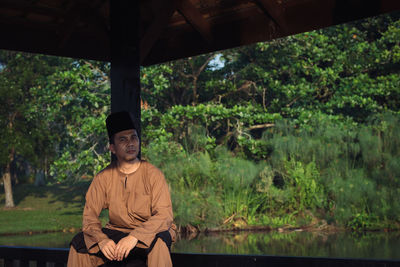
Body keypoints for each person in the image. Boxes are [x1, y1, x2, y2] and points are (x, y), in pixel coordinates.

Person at [67, 111, 176, 267]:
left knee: (159, 240)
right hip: (117, 233)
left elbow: (164, 215)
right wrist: (102, 240)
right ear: (112, 147)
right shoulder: (103, 177)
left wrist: (134, 237)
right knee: (78, 243)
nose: (130, 143)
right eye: (123, 140)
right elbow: (89, 218)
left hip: (148, 234)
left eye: (134, 137)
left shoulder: (154, 175)